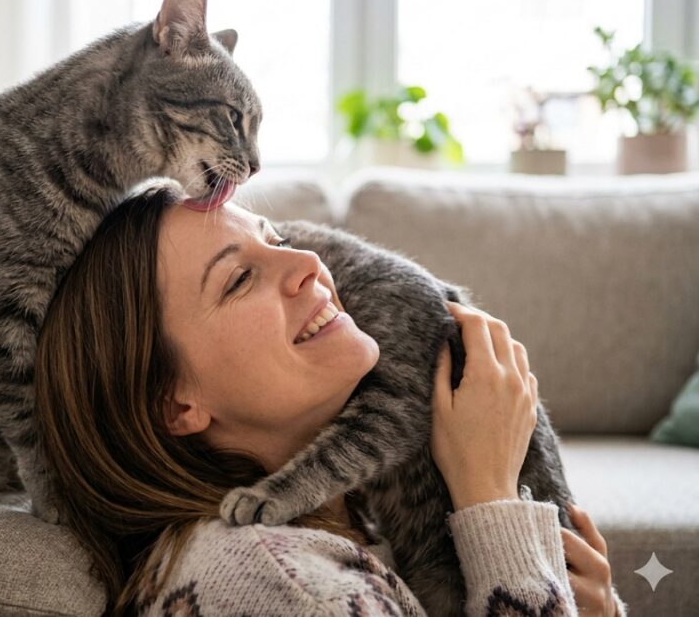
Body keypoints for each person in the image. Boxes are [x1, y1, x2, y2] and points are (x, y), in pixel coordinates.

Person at [35, 183, 625, 616]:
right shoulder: (289, 587)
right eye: (239, 279)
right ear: (175, 405)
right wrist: (491, 502)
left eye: (279, 240)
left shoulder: (352, 521)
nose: (308, 263)